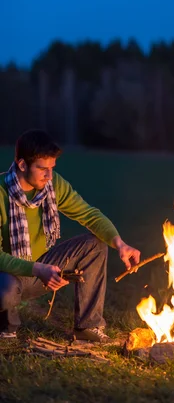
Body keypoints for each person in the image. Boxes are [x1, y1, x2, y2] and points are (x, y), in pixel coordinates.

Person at [0, 129, 141, 343]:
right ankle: (7, 329)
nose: (49, 176)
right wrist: (37, 269)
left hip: (41, 268)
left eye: (52, 168)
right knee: (5, 287)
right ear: (22, 165)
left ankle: (88, 326)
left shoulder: (52, 185)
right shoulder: (1, 193)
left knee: (94, 244)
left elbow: (89, 214)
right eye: (42, 169)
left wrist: (120, 244)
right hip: (8, 274)